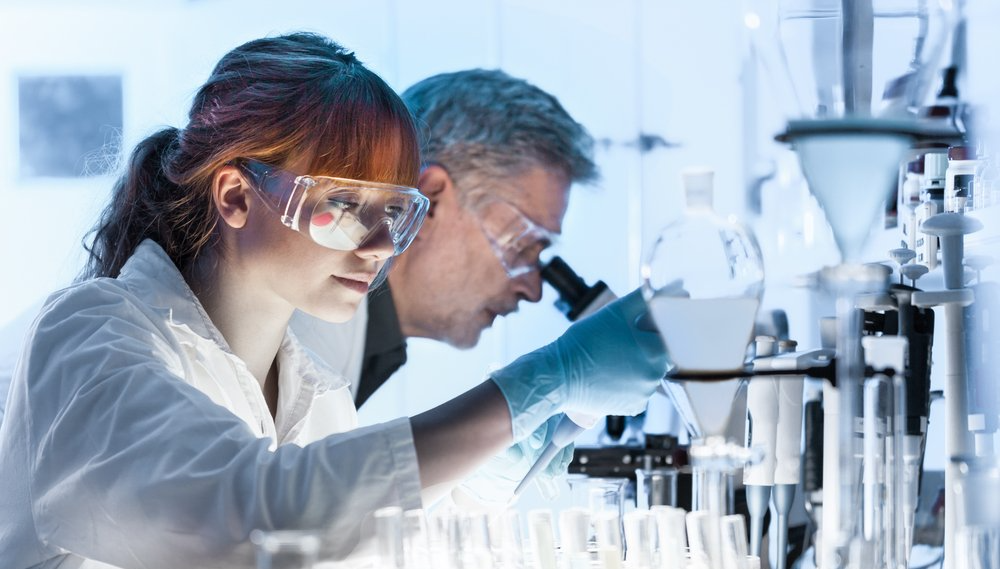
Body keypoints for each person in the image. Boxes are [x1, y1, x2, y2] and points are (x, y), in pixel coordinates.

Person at [0, 32, 667, 569]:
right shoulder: (89, 333)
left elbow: (350, 531)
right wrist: (530, 386)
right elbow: (257, 520)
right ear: (235, 196)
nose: (381, 246)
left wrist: (487, 480)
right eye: (344, 205)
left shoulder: (312, 391)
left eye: (397, 213)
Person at [289, 69, 597, 497]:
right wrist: (525, 396)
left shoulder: (363, 337)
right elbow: (289, 512)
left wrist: (462, 487)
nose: (533, 288)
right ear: (429, 201)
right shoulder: (307, 318)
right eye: (523, 245)